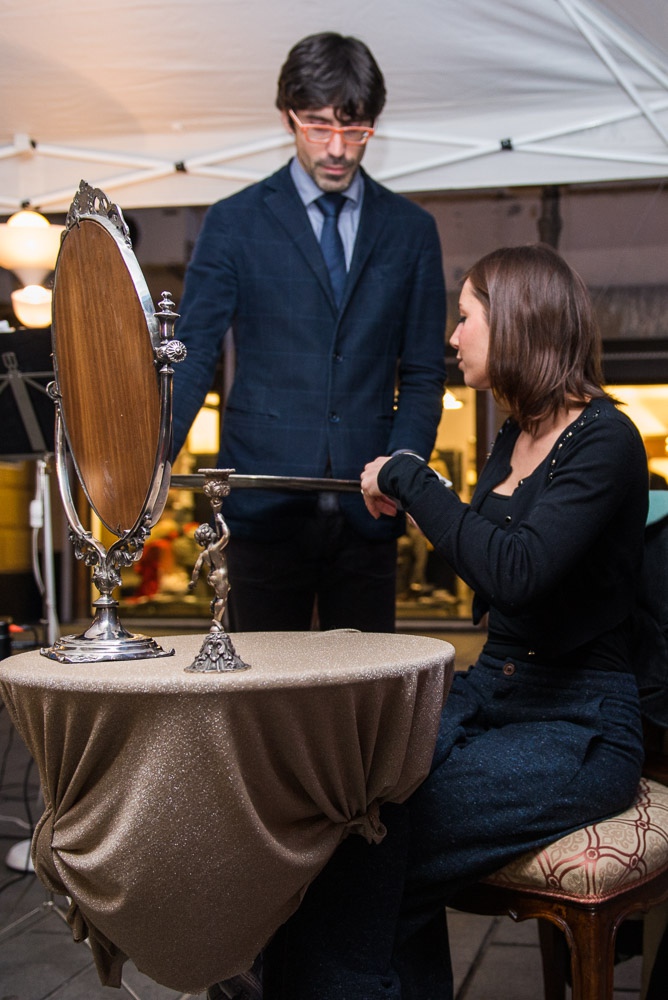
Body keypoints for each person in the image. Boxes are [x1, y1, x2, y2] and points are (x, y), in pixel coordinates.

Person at [254, 243, 650, 999]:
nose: (452, 336)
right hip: (491, 695)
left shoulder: (606, 439)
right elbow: (491, 555)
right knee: (344, 792)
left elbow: (516, 571)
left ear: (516, 321)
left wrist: (412, 476)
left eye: (465, 317)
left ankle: (285, 980)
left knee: (370, 840)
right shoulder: (514, 435)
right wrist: (430, 508)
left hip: (579, 723)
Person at [171, 31, 447, 634]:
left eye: (356, 130)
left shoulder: (411, 231)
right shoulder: (234, 222)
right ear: (286, 117)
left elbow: (425, 374)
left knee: (366, 686)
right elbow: (191, 356)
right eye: (319, 126)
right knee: (264, 682)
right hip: (262, 504)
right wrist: (148, 466)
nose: (338, 149)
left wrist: (401, 468)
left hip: (369, 506)